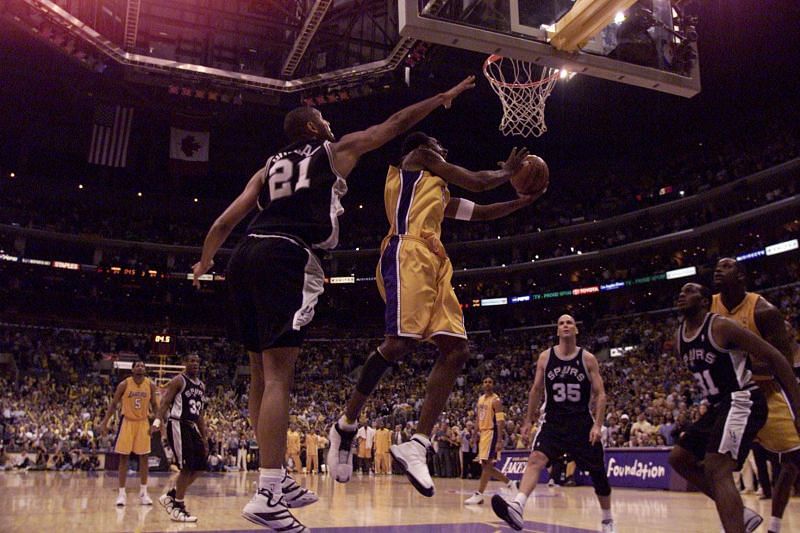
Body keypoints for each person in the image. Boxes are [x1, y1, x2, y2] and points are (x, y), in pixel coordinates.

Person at [192, 75, 476, 532]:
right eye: (322, 119)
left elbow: (227, 219)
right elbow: (397, 122)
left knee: (259, 373)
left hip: (243, 255)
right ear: (310, 128)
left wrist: (205, 260)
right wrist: (440, 95)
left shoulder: (266, 168)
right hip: (286, 253)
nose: (329, 123)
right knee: (280, 373)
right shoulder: (333, 151)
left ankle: (276, 479)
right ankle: (267, 493)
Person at [328, 131, 544, 497]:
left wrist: (522, 201)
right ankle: (346, 425)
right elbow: (475, 181)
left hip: (435, 261)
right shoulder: (417, 159)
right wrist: (508, 173)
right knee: (398, 344)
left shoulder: (437, 191)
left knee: (457, 349)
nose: (444, 150)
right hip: (406, 251)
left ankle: (418, 443)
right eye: (441, 147)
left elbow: (483, 212)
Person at [668, 282, 800, 533]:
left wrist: (798, 406)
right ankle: (741, 514)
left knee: (718, 467)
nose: (681, 295)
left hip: (744, 399)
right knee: (679, 458)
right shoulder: (680, 336)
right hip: (720, 405)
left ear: (705, 300)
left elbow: (776, 357)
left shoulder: (721, 326)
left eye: (689, 291)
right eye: (681, 292)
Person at [491, 315, 615, 533]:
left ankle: (607, 520)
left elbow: (601, 394)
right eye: (561, 323)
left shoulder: (587, 359)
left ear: (576, 329)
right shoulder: (545, 357)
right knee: (535, 459)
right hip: (553, 422)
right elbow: (536, 390)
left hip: (581, 424)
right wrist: (528, 420)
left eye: (569, 322)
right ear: (557, 331)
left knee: (599, 476)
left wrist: (597, 424)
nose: (565, 325)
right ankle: (518, 506)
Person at [712, 258, 800, 533]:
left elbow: (783, 361)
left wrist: (742, 364)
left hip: (766, 393)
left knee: (793, 460)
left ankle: (774, 526)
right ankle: (743, 515)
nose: (717, 269)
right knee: (697, 461)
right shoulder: (708, 307)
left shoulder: (763, 310)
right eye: (716, 266)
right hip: (732, 399)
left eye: (726, 266)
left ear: (742, 276)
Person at [99, 359, 159, 507]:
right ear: (132, 370)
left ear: (145, 370)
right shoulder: (124, 384)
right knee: (123, 458)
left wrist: (158, 423)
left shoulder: (150, 385)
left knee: (144, 457)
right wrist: (105, 422)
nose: (140, 367)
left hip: (143, 422)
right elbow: (113, 404)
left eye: (142, 366)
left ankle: (144, 492)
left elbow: (156, 406)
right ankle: (121, 494)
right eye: (137, 366)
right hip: (127, 421)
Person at [155, 353, 207, 522]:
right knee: (186, 466)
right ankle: (178, 506)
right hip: (177, 424)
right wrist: (157, 421)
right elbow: (165, 402)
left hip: (191, 427)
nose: (195, 364)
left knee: (200, 466)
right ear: (185, 363)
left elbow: (200, 414)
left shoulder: (201, 386)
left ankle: (171, 495)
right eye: (191, 361)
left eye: (197, 361)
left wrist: (204, 436)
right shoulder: (179, 380)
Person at [465, 377, 515, 504]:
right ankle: (510, 483)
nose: (487, 384)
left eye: (490, 382)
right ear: (482, 384)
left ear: (493, 385)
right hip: (483, 434)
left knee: (487, 465)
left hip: (491, 433)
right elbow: (478, 418)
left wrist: (499, 440)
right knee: (486, 466)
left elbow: (500, 421)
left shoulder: (496, 400)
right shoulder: (480, 399)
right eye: (485, 382)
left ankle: (479, 494)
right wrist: (474, 435)